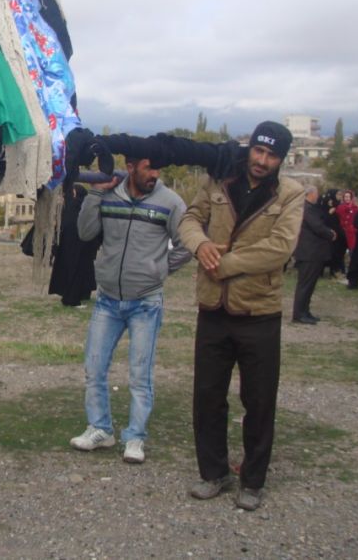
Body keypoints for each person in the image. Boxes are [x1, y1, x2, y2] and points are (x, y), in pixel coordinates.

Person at [179, 121, 304, 511]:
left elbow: (279, 248)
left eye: (271, 156)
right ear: (250, 148)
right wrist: (200, 246)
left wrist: (225, 263)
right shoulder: (219, 180)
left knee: (260, 400)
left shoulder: (291, 194)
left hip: (259, 312)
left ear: (280, 159)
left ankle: (253, 480)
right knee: (208, 396)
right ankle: (213, 472)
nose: (262, 161)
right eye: (258, 151)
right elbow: (188, 220)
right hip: (213, 309)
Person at [69, 157, 190, 464]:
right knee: (94, 367)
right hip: (108, 299)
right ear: (131, 165)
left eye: (157, 168)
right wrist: (95, 194)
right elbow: (84, 233)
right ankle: (100, 429)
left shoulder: (170, 202)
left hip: (146, 302)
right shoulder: (108, 195)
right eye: (149, 167)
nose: (155, 174)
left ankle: (135, 438)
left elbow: (187, 243)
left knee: (140, 374)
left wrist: (159, 270)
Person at [291, 186, 336, 324]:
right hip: (309, 252)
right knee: (305, 285)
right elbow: (317, 227)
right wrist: (330, 234)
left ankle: (305, 310)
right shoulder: (306, 209)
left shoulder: (310, 208)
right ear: (310, 194)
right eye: (316, 194)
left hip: (314, 252)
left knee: (310, 285)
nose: (318, 196)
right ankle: (299, 314)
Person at [336, 190, 358, 256]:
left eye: (349, 197)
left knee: (352, 251)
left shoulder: (355, 208)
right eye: (346, 197)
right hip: (342, 232)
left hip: (352, 232)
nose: (347, 198)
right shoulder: (339, 207)